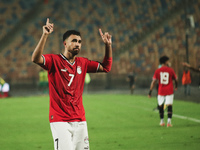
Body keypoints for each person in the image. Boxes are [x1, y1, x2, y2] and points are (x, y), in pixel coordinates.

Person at [31, 18, 112, 150]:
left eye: (79, 42)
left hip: (80, 120)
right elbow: (35, 58)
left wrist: (108, 45)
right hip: (60, 119)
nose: (77, 44)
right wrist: (45, 35)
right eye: (74, 41)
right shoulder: (54, 61)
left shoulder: (83, 63)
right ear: (65, 43)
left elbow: (106, 67)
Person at [148, 56, 178, 127]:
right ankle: (169, 122)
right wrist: (176, 86)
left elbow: (153, 82)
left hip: (161, 90)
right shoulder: (170, 70)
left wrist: (150, 91)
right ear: (166, 62)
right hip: (169, 90)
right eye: (168, 61)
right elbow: (176, 79)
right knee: (169, 105)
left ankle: (162, 121)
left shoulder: (157, 71)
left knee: (161, 106)